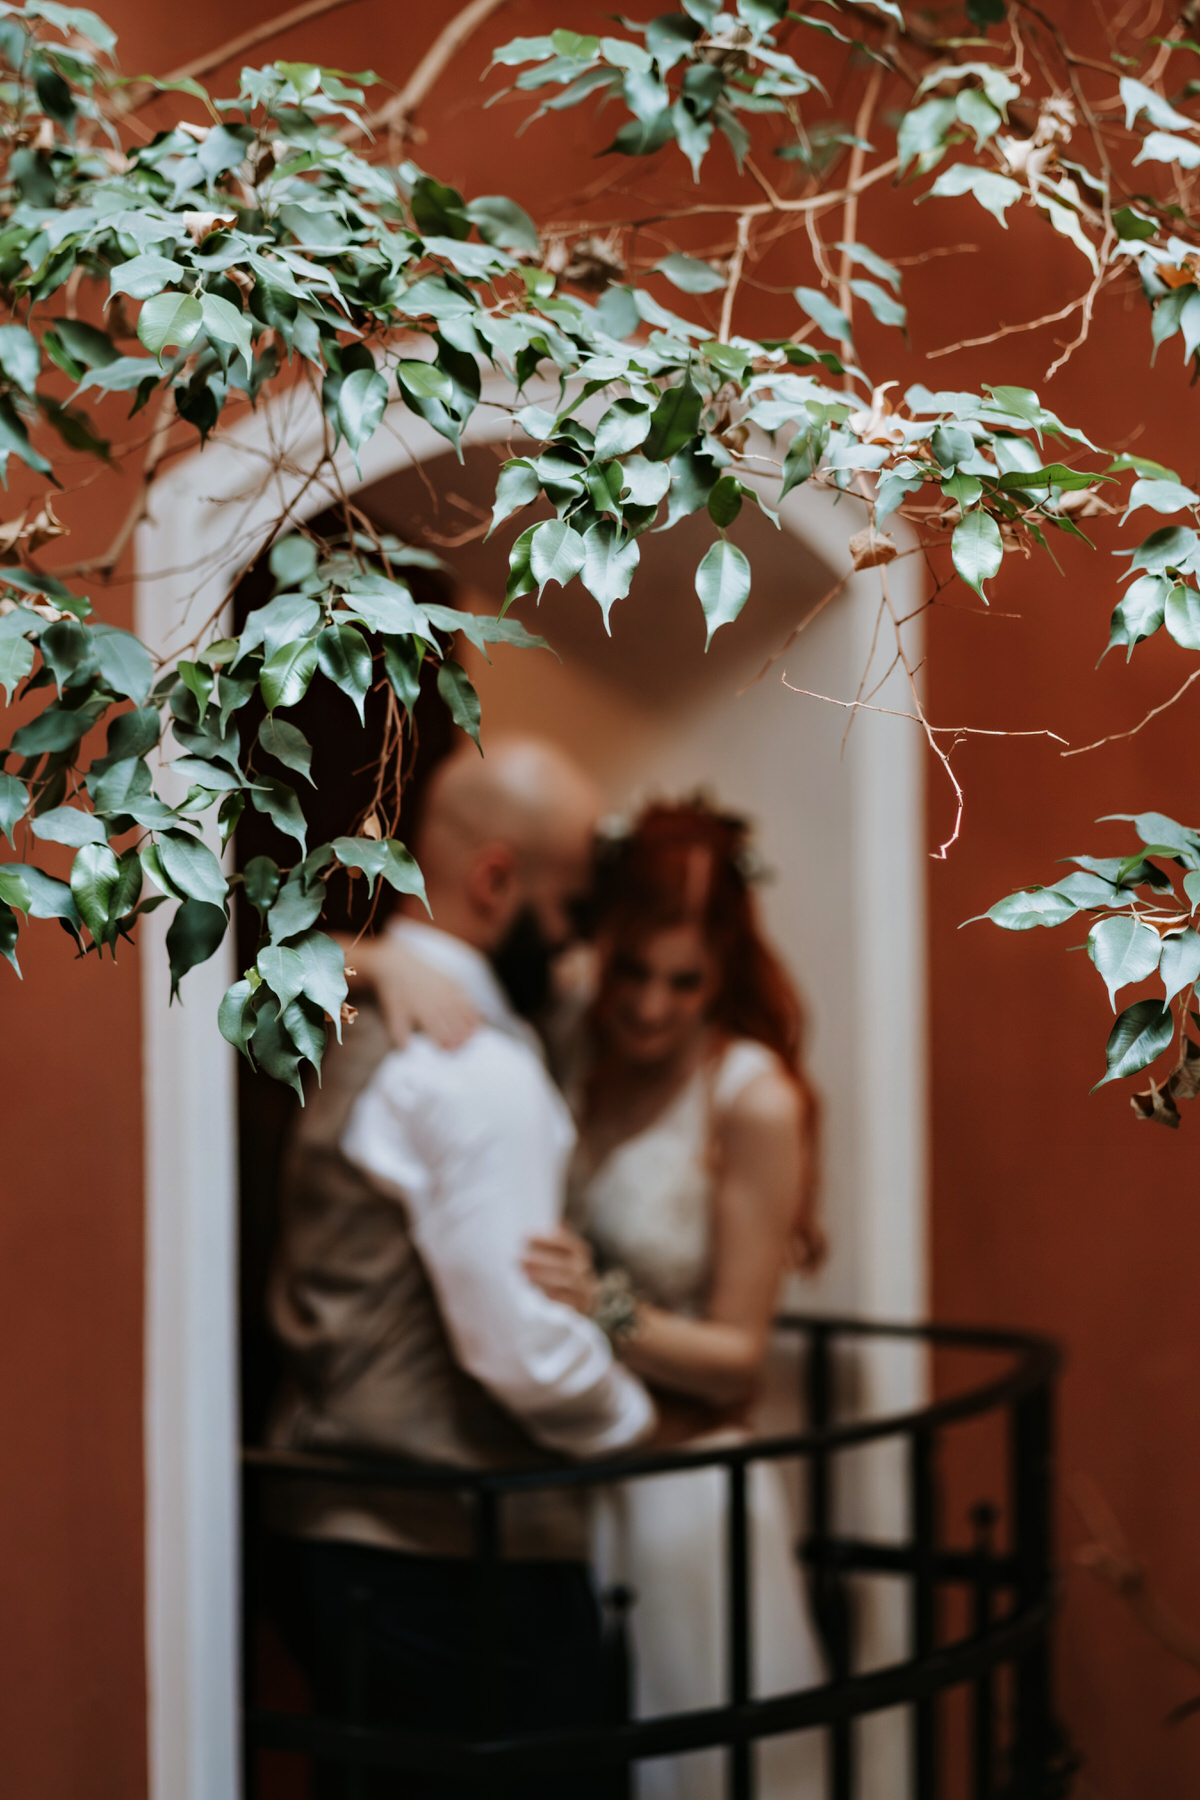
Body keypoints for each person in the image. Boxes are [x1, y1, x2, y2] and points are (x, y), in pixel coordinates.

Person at [371, 798, 829, 1800]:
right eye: (632, 970)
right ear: (602, 948)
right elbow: (422, 962)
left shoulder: (752, 1098)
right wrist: (382, 961)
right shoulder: (564, 1034)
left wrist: (605, 1306)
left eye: (685, 983)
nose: (651, 1006)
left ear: (723, 975)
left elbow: (741, 1361)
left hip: (685, 1496)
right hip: (570, 1483)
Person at [263, 736, 656, 1800]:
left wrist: (374, 949)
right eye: (574, 902)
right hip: (446, 1550)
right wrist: (632, 1419)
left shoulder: (381, 1025)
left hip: (341, 1529)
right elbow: (520, 1346)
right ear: (496, 880)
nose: (581, 940)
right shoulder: (467, 1063)